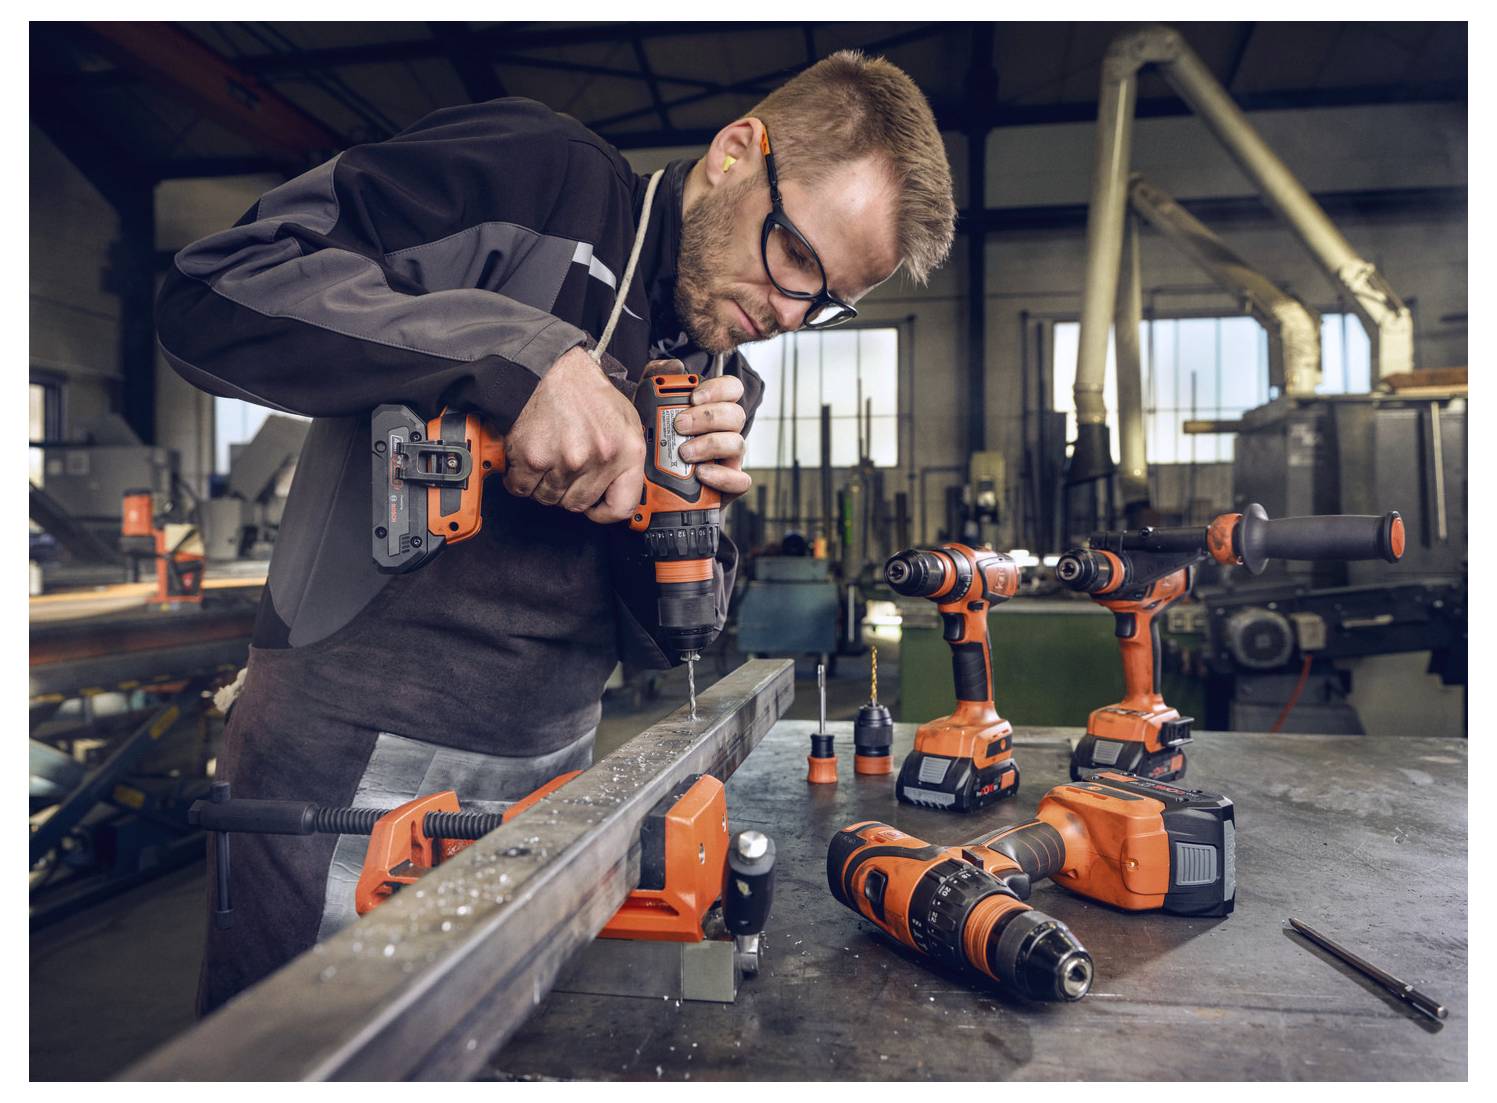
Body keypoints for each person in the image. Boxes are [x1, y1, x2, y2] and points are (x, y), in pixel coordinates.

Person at [157, 49, 955, 1012]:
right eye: (793, 257)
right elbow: (212, 294)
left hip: (552, 781)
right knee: (297, 1052)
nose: (787, 313)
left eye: (824, 304)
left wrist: (687, 523)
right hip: (343, 765)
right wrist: (520, 360)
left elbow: (664, 641)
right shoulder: (536, 174)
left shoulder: (724, 374)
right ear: (739, 150)